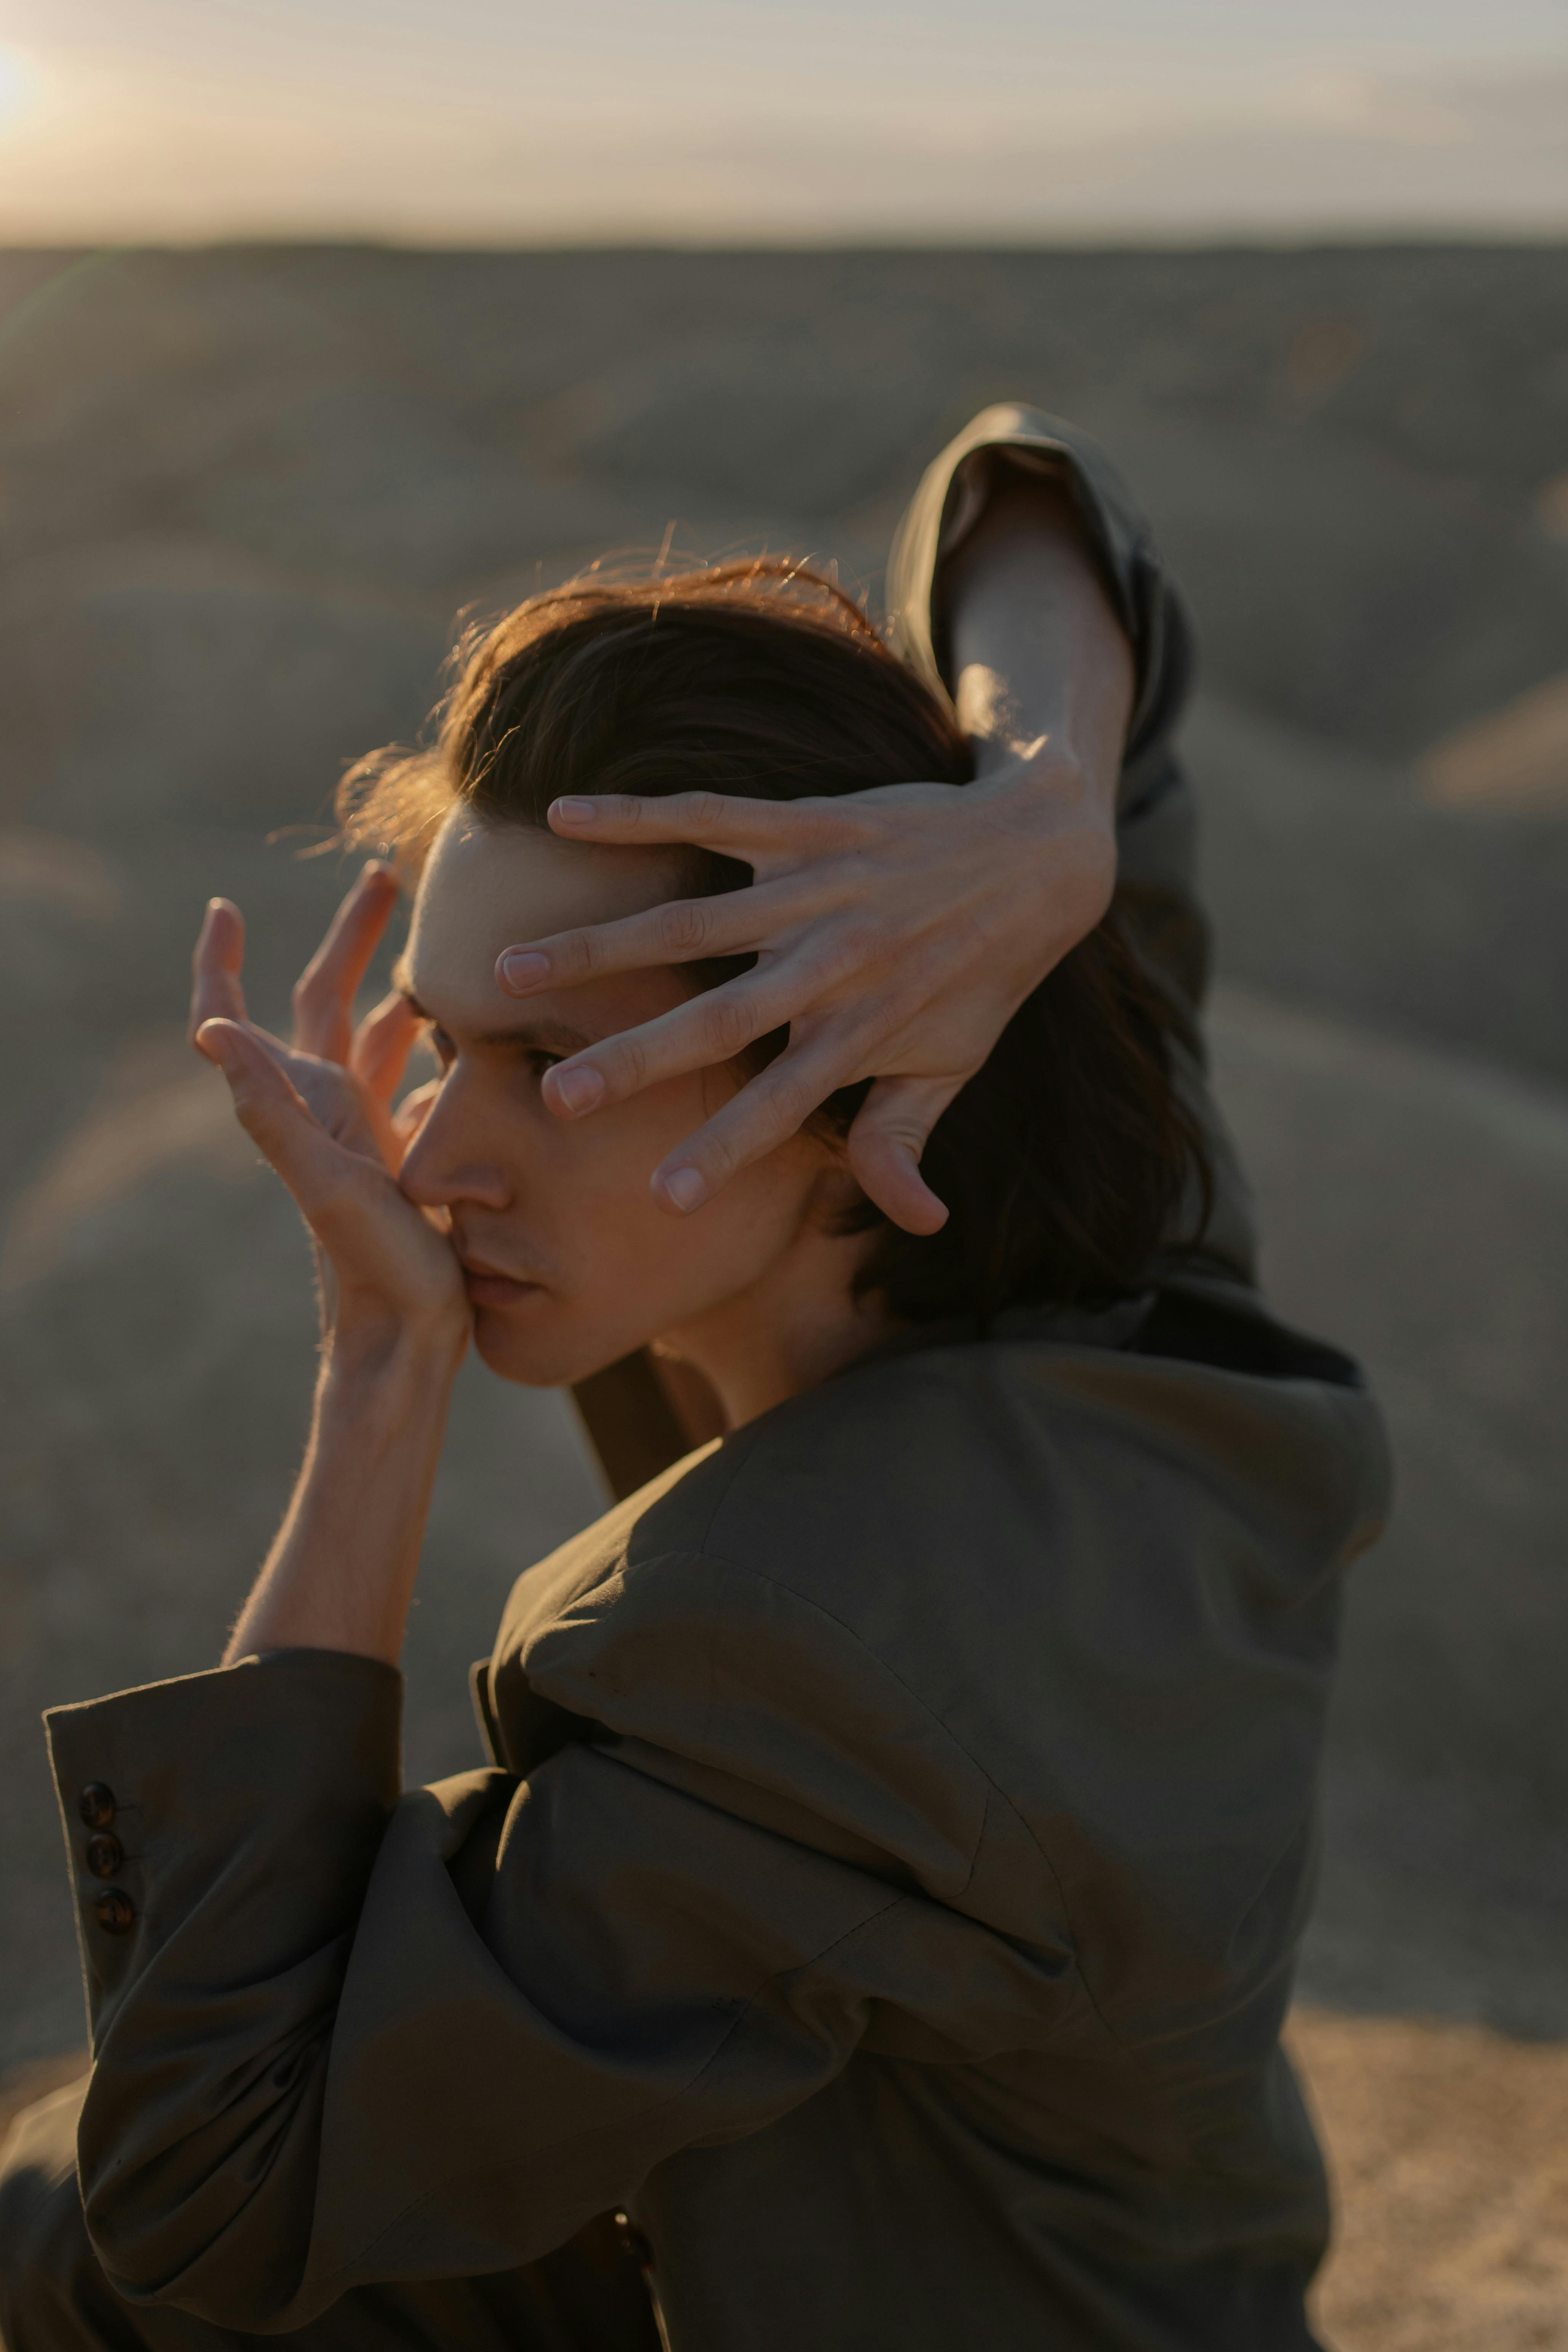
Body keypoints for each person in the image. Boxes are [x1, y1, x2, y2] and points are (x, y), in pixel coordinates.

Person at [0, 407, 1388, 2352]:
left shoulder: (808, 1635)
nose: (440, 1160)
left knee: (66, 2252)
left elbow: (210, 2199)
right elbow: (1027, 491)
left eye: (562, 1065)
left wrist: (385, 1365)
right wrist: (1047, 803)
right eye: (442, 1044)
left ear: (860, 1056)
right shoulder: (1125, 1214)